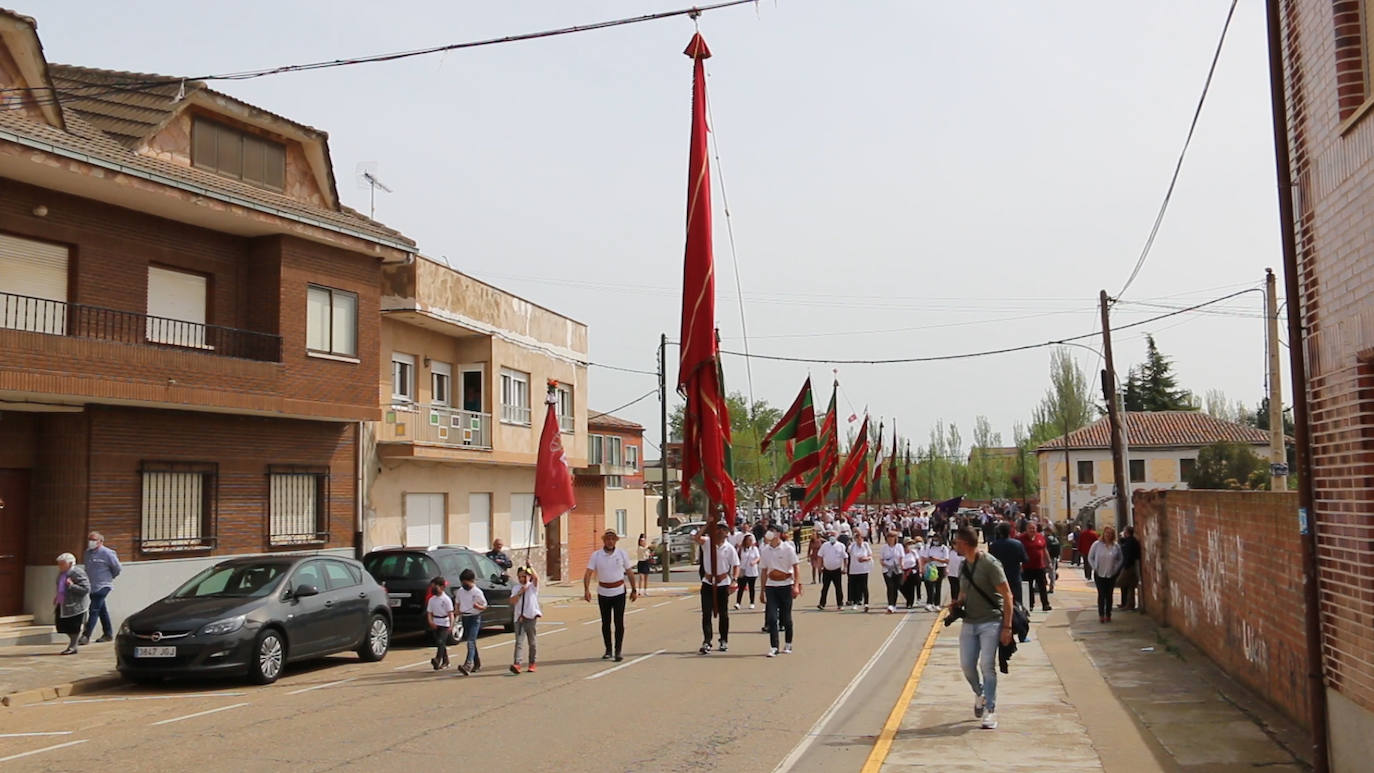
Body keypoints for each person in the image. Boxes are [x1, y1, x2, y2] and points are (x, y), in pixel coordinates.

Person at [947, 526, 1014, 730]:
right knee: (967, 665)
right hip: (970, 621)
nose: (954, 545)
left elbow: (1007, 595)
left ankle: (990, 710)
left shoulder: (990, 564)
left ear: (965, 543)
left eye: (956, 542)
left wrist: (1007, 627)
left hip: (991, 621)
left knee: (987, 665)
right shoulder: (963, 565)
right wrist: (957, 604)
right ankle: (980, 693)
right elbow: (964, 593)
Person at [584, 529, 637, 662]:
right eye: (608, 539)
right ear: (604, 540)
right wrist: (586, 589)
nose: (610, 541)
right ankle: (608, 649)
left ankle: (618, 651)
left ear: (616, 541)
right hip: (603, 592)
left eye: (613, 539)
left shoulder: (621, 554)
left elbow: (629, 572)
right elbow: (588, 573)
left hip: (618, 591)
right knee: (605, 623)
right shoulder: (596, 555)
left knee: (618, 622)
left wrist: (634, 589)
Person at [697, 523, 740, 654]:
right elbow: (696, 537)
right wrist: (707, 524)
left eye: (724, 530)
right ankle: (707, 641)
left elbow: (736, 565)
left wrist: (734, 580)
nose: (721, 532)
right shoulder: (707, 543)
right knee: (706, 613)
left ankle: (723, 640)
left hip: (722, 583)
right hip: (708, 582)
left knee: (723, 614)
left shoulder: (729, 548)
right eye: (718, 529)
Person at [760, 526, 802, 657]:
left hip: (785, 585)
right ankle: (774, 646)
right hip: (771, 586)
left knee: (786, 618)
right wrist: (762, 590)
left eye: (773, 531)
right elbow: (763, 571)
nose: (770, 533)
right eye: (769, 530)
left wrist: (796, 585)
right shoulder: (765, 550)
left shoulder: (788, 548)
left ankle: (788, 643)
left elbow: (796, 567)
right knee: (772, 618)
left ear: (778, 534)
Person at [80, 531, 121, 645]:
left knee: (93, 609)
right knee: (101, 610)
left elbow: (117, 568)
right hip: (92, 585)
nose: (91, 542)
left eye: (93, 540)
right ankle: (108, 633)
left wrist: (110, 577)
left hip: (103, 585)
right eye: (89, 540)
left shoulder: (107, 553)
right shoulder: (87, 553)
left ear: (100, 541)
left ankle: (86, 635)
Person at [53, 553, 90, 655]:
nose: (59, 566)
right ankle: (73, 644)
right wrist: (58, 597)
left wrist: (72, 586)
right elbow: (60, 586)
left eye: (62, 564)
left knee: (73, 626)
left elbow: (86, 589)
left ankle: (73, 646)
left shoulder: (77, 572)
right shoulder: (62, 573)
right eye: (59, 564)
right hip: (63, 603)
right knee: (61, 625)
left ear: (69, 564)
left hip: (75, 605)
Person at [454, 568, 487, 675]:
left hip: (475, 617)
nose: (464, 585)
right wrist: (457, 611)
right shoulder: (460, 591)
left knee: (470, 641)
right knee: (470, 641)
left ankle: (468, 664)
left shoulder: (477, 592)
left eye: (466, 583)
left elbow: (484, 605)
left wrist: (478, 606)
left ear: (472, 581)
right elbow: (457, 602)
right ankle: (477, 662)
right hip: (465, 617)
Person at [509, 566, 541, 674]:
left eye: (524, 576)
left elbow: (537, 578)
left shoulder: (532, 587)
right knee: (519, 642)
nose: (522, 579)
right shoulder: (516, 588)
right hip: (519, 618)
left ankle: (532, 662)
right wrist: (520, 592)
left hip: (530, 617)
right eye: (519, 576)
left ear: (528, 576)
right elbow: (512, 601)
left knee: (531, 642)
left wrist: (531, 566)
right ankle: (517, 663)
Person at [1088, 525, 1123, 623]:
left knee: (1109, 595)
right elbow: (1090, 557)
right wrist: (1094, 567)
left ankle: (1108, 614)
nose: (1108, 535)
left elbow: (1120, 559)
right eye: (1106, 533)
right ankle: (1101, 615)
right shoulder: (1097, 544)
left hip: (1111, 574)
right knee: (1101, 595)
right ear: (1103, 534)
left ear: (1113, 535)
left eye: (1110, 533)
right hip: (1099, 573)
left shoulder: (1116, 546)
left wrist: (1116, 568)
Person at [1017, 523, 1051, 612]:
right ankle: (1030, 605)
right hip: (1027, 567)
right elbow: (1019, 552)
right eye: (1030, 528)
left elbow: (1044, 549)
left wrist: (1049, 562)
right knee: (1029, 587)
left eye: (1034, 528)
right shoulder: (1021, 538)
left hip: (1040, 566)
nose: (1032, 530)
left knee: (1042, 586)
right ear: (1026, 529)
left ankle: (1045, 604)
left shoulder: (1040, 537)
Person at [425, 576, 453, 671]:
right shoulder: (432, 600)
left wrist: (451, 625)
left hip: (444, 623)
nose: (433, 589)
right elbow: (429, 612)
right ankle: (446, 661)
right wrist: (430, 621)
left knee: (440, 641)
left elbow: (450, 613)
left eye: (435, 586)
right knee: (441, 643)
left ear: (441, 587)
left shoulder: (446, 599)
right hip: (436, 622)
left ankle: (438, 659)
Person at [816, 532, 847, 610]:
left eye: (833, 536)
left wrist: (845, 568)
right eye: (831, 536)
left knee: (838, 588)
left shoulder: (841, 546)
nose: (832, 538)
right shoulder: (825, 545)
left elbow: (845, 557)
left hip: (837, 570)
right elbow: (820, 556)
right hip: (827, 570)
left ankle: (840, 604)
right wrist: (819, 567)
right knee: (825, 588)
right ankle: (822, 604)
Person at [920, 536, 950, 612]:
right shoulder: (930, 548)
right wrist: (924, 565)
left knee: (938, 586)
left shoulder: (944, 548)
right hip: (931, 567)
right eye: (934, 540)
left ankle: (937, 604)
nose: (935, 541)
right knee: (930, 585)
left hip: (940, 568)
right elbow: (924, 558)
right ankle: (929, 603)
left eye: (937, 540)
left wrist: (936, 559)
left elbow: (946, 560)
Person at [847, 532, 873, 612]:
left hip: (863, 569)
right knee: (854, 587)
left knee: (864, 586)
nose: (859, 540)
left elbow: (870, 555)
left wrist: (866, 558)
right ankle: (855, 603)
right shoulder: (852, 546)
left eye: (860, 538)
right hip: (854, 569)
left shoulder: (865, 545)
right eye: (857, 538)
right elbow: (849, 552)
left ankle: (866, 603)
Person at [879, 531, 905, 614]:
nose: (890, 539)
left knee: (896, 587)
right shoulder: (884, 547)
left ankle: (894, 604)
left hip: (897, 569)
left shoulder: (899, 546)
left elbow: (901, 557)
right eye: (889, 537)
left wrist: (902, 567)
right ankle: (890, 604)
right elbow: (881, 559)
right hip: (887, 569)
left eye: (892, 537)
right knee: (890, 587)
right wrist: (885, 565)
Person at [1117, 525, 1141, 611]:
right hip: (1130, 565)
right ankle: (1128, 604)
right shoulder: (1130, 541)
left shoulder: (1130, 542)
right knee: (1130, 586)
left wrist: (1126, 566)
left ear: (1127, 532)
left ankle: (1129, 604)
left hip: (1129, 566)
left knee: (1121, 582)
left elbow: (1128, 554)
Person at [735, 533, 760, 610]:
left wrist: (754, 562)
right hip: (743, 571)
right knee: (741, 587)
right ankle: (738, 603)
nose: (750, 541)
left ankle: (752, 602)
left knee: (751, 587)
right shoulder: (741, 549)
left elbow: (758, 557)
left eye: (751, 540)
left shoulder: (754, 549)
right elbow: (737, 559)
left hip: (752, 571)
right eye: (749, 540)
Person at [900, 538, 921, 609]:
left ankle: (910, 603)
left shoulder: (914, 552)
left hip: (912, 571)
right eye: (909, 544)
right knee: (902, 587)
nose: (910, 545)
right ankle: (908, 599)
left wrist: (920, 570)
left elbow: (918, 561)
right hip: (903, 572)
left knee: (911, 588)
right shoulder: (901, 552)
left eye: (911, 544)